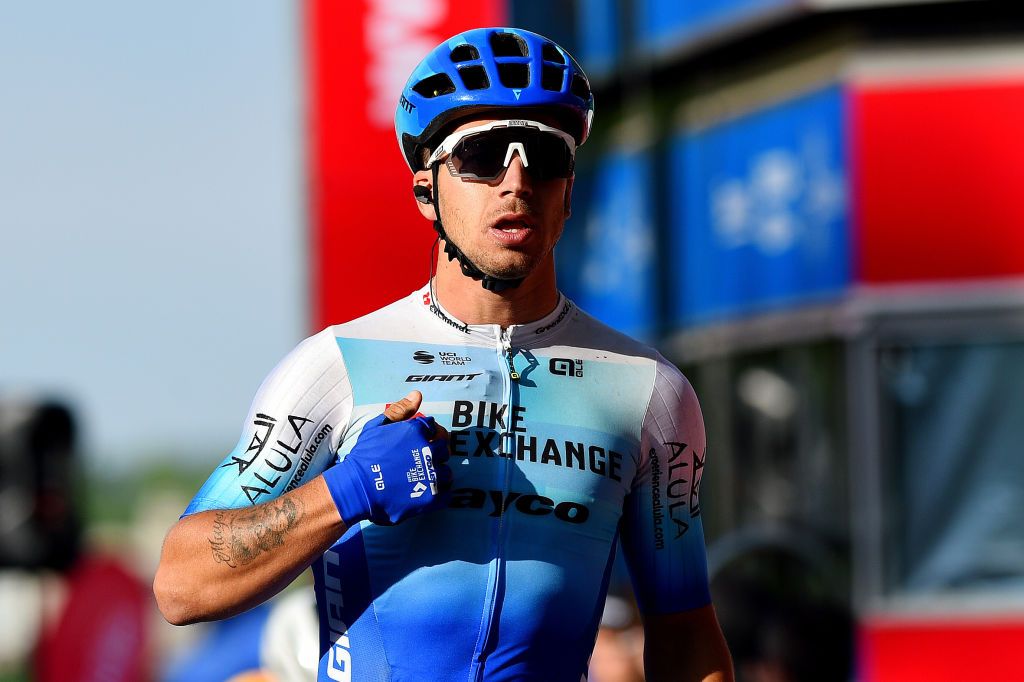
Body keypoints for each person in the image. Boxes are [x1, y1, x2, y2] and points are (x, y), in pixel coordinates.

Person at [154, 26, 734, 682]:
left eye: (543, 156)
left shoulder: (649, 391)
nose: (515, 182)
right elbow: (181, 583)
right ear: (427, 191)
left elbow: (685, 630)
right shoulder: (337, 366)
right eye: (483, 155)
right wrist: (348, 489)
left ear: (568, 191)